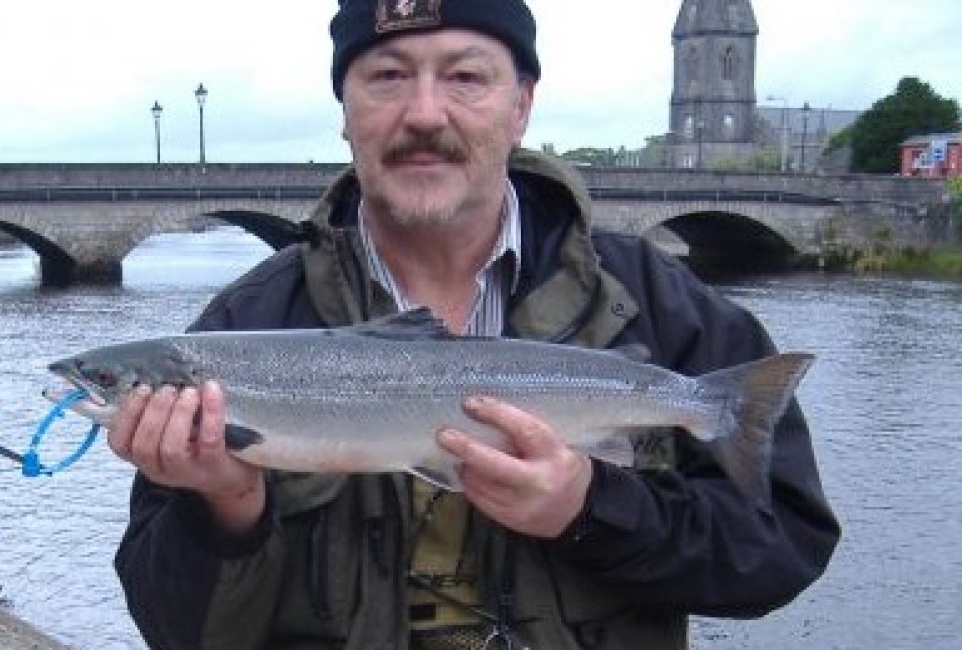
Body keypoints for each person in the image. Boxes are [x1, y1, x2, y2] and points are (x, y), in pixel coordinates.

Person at [109, 1, 840, 648]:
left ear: (521, 104)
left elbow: (779, 555)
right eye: (388, 76)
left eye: (465, 76)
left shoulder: (657, 301)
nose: (424, 113)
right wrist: (225, 506)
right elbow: (172, 632)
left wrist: (590, 509)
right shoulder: (239, 328)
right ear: (344, 108)